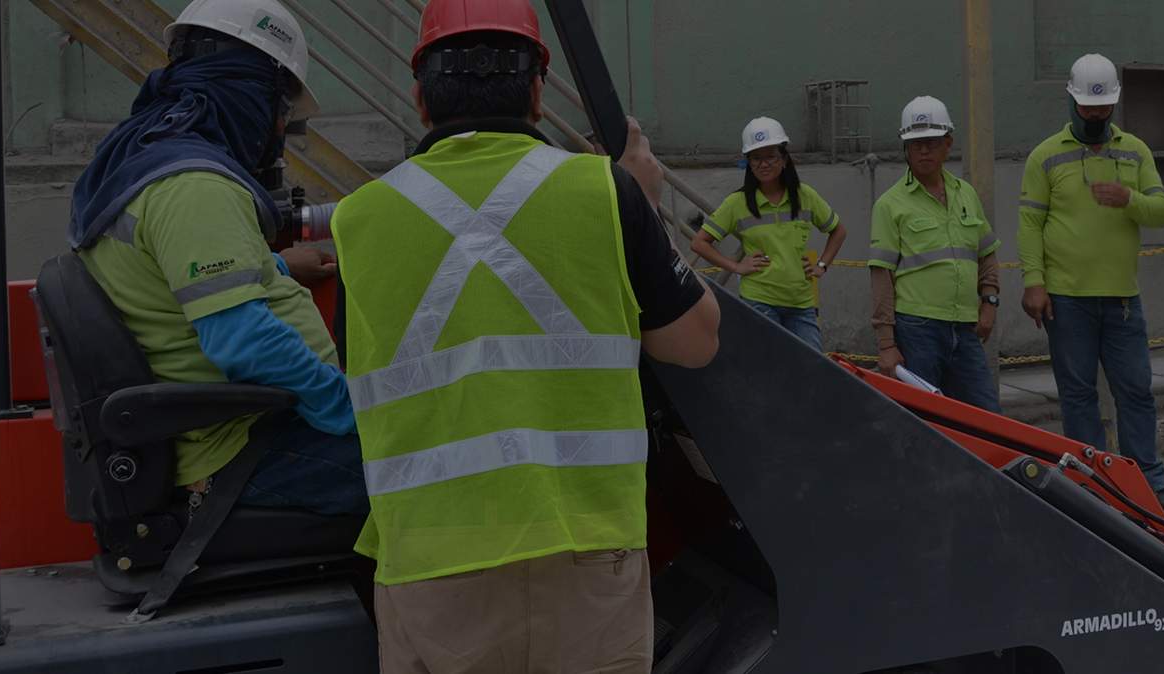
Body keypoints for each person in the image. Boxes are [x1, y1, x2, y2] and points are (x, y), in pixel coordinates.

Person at [331, 0, 719, 671]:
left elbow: (356, 370)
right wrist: (647, 203)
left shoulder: (357, 221)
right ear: (537, 94)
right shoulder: (605, 192)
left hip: (426, 562)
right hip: (585, 554)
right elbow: (696, 342)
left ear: (421, 99)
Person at [67, 0, 364, 517]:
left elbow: (166, 281)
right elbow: (242, 342)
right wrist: (348, 407)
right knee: (440, 464)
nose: (276, 133)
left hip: (235, 434)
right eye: (280, 112)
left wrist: (276, 269)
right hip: (246, 450)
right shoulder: (196, 188)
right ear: (249, 94)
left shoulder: (144, 157)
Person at [1018, 54, 1164, 517]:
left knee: (1135, 391)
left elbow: (1161, 210)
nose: (1096, 115)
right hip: (1067, 299)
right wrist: (1034, 282)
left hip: (1121, 299)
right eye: (1089, 108)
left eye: (1104, 107)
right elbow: (1030, 223)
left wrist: (1128, 197)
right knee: (1078, 396)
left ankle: (1148, 487)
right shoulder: (1045, 155)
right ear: (1071, 101)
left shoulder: (1134, 151)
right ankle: (1091, 488)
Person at [867, 96, 1002, 411]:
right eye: (916, 144)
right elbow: (881, 275)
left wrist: (990, 302)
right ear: (906, 149)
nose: (924, 150)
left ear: (948, 144)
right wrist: (886, 344)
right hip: (917, 331)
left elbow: (987, 255)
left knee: (986, 419)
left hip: (966, 330)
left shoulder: (965, 194)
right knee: (923, 422)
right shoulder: (890, 204)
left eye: (931, 142)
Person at [690, 117, 847, 350]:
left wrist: (822, 265)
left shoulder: (805, 196)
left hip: (801, 303)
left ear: (784, 159)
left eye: (770, 156)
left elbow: (838, 231)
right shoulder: (737, 203)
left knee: (812, 370)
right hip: (759, 302)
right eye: (756, 158)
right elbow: (700, 242)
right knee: (770, 369)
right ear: (749, 164)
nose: (763, 164)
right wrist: (736, 267)